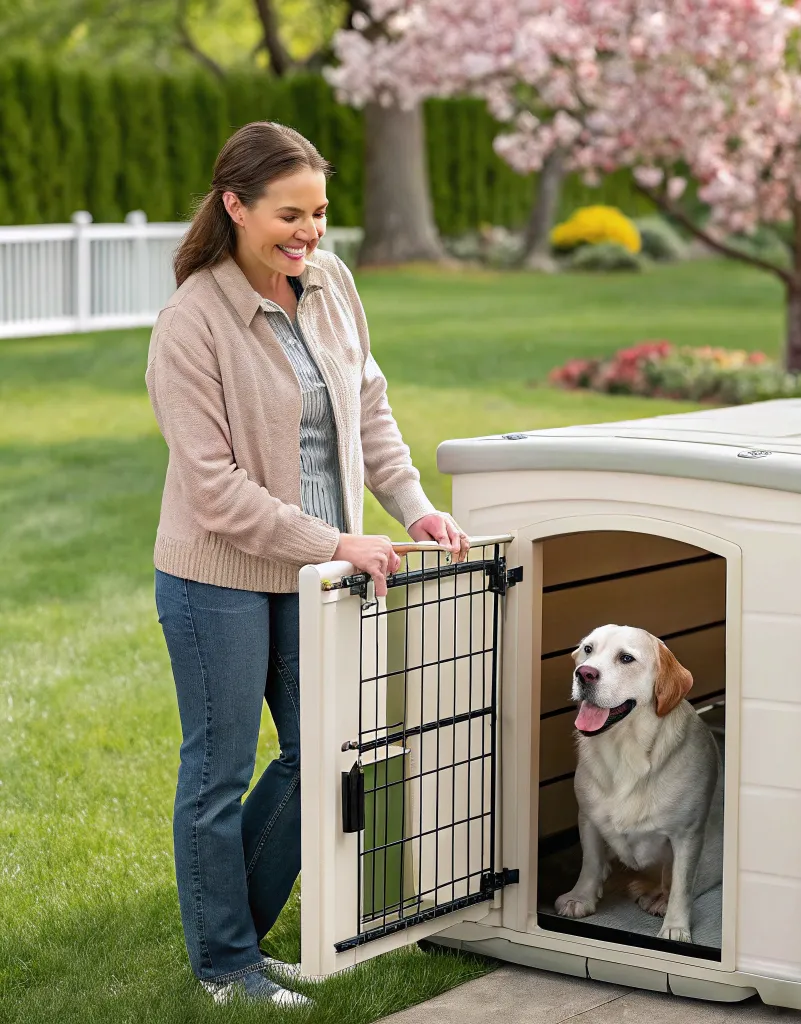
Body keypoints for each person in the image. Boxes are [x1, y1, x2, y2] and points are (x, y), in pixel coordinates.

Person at [145, 121, 470, 1008]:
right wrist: (338, 542)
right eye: (290, 214)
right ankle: (226, 965)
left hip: (318, 571)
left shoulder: (331, 285)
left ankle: (231, 934)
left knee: (326, 748)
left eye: (320, 212)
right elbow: (214, 491)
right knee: (219, 771)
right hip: (218, 576)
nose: (309, 233)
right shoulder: (191, 322)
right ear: (236, 206)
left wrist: (415, 506)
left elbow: (369, 407)